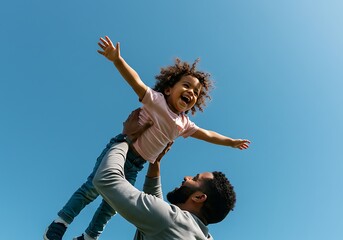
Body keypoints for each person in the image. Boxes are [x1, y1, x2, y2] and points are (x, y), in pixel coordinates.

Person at [44, 36, 249, 240]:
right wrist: (117, 60)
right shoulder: (156, 101)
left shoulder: (184, 123)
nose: (191, 93)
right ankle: (61, 222)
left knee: (111, 206)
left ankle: (89, 236)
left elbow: (208, 135)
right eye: (186, 86)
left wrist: (230, 142)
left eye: (196, 93)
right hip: (123, 148)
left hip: (137, 165)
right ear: (168, 89)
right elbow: (135, 81)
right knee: (92, 189)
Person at [92, 108, 237, 239]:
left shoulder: (170, 222)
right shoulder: (203, 236)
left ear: (199, 197)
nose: (186, 177)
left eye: (194, 179)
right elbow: (157, 207)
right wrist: (156, 162)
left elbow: (105, 179)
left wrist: (126, 138)